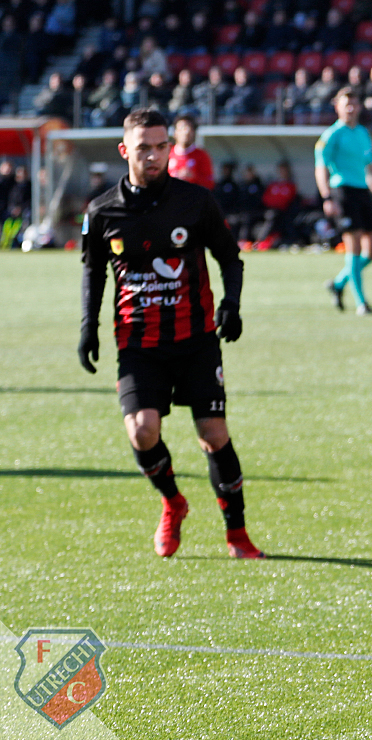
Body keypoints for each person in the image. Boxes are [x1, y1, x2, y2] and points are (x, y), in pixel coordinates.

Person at [78, 108, 262, 560]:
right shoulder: (102, 211)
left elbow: (229, 257)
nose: (156, 155)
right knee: (142, 432)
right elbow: (93, 272)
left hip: (196, 337)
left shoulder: (195, 201)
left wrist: (231, 305)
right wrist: (89, 328)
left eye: (163, 146)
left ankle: (237, 534)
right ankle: (173, 502)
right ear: (126, 151)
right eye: (145, 148)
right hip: (139, 341)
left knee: (213, 434)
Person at [316, 86, 372, 315]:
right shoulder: (331, 135)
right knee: (354, 246)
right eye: (345, 103)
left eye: (354, 103)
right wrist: (327, 196)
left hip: (362, 192)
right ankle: (361, 303)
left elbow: (370, 166)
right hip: (342, 192)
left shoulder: (363, 133)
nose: (350, 107)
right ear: (337, 106)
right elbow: (321, 168)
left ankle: (338, 284)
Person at [167, 115, 214, 190]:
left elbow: (209, 184)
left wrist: (193, 177)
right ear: (175, 133)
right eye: (182, 128)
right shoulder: (167, 154)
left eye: (190, 128)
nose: (186, 132)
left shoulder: (202, 155)